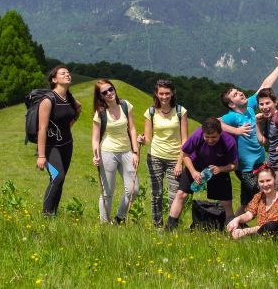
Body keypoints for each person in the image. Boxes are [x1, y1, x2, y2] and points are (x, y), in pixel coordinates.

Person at [219, 49, 278, 213]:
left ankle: (232, 227)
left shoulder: (250, 107)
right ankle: (267, 228)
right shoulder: (232, 117)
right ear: (231, 104)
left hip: (260, 163)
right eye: (236, 95)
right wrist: (236, 131)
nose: (240, 93)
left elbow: (265, 86)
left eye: (239, 91)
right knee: (263, 196)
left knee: (247, 203)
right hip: (245, 169)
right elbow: (214, 123)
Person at [165, 118, 238, 230]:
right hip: (195, 165)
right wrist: (193, 172)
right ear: (203, 133)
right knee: (181, 194)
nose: (210, 140)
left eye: (214, 137)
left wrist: (221, 169)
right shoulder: (197, 134)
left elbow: (234, 165)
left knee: (226, 203)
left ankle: (233, 230)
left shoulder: (229, 141)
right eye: (207, 137)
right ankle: (169, 228)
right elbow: (185, 154)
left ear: (220, 133)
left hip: (218, 168)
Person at [137, 79, 189, 227]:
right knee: (156, 194)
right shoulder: (151, 112)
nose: (164, 96)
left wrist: (180, 162)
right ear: (156, 94)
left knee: (175, 196)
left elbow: (185, 140)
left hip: (175, 158)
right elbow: (147, 138)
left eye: (167, 93)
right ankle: (157, 225)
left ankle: (171, 226)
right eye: (161, 93)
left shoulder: (180, 111)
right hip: (155, 157)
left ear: (172, 93)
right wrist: (141, 139)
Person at [92, 79, 140, 223]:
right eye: (104, 92)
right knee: (107, 192)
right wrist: (95, 155)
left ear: (114, 89)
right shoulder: (100, 112)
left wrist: (135, 152)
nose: (109, 93)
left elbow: (131, 128)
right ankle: (104, 224)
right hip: (107, 153)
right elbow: (95, 138)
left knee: (133, 190)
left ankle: (119, 218)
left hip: (126, 152)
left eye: (110, 89)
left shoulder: (125, 105)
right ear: (100, 96)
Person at [36, 65, 82, 215]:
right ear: (54, 79)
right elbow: (41, 129)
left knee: (60, 181)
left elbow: (68, 123)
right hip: (50, 147)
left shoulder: (69, 98)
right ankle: (46, 214)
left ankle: (53, 214)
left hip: (67, 146)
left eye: (68, 73)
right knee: (58, 177)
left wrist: (76, 114)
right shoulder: (48, 100)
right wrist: (41, 156)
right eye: (63, 73)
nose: (67, 75)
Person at [226, 166, 278, 239]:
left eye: (268, 180)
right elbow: (249, 214)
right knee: (237, 222)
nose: (265, 184)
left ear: (274, 180)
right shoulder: (259, 196)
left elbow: (268, 225)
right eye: (261, 181)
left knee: (271, 226)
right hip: (261, 231)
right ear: (258, 182)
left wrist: (244, 231)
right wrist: (237, 219)